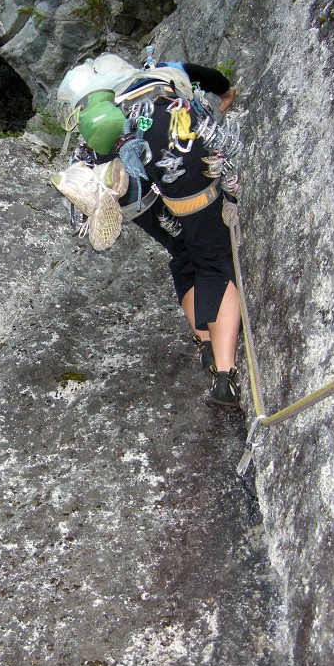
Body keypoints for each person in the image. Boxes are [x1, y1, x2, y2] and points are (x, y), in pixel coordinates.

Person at [72, 60, 243, 408]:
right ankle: (225, 376)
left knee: (183, 253)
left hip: (131, 192)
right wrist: (226, 95)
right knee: (213, 256)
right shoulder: (162, 73)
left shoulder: (94, 124)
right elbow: (211, 78)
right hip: (178, 166)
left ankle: (206, 340)